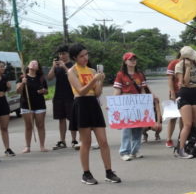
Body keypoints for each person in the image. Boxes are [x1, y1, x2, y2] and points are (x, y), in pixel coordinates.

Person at [66, 43, 121, 184]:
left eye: (86, 54)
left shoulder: (91, 70)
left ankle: (109, 172)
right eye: (81, 56)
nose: (85, 58)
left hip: (93, 104)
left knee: (103, 141)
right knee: (86, 142)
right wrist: (94, 80)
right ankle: (86, 173)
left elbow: (96, 93)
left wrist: (100, 81)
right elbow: (81, 91)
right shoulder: (72, 71)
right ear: (74, 57)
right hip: (81, 104)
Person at [114, 51, 155, 161]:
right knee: (127, 128)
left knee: (138, 128)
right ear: (125, 61)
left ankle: (135, 151)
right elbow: (117, 90)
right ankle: (124, 152)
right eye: (130, 59)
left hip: (138, 103)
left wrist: (148, 100)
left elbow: (142, 89)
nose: (133, 61)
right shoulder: (120, 75)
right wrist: (114, 105)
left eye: (134, 59)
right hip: (125, 103)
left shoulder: (140, 74)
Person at [174, 46, 196, 159]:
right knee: (187, 124)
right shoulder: (179, 65)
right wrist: (187, 68)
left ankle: (193, 147)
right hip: (185, 93)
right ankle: (180, 150)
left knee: (194, 125)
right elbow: (184, 82)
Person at [47, 45, 77, 150]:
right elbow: (49, 78)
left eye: (63, 53)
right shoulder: (57, 66)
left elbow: (73, 75)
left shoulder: (72, 65)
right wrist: (53, 66)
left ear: (68, 54)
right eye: (60, 54)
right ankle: (62, 140)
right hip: (58, 95)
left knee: (72, 118)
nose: (61, 56)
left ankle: (74, 140)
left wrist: (64, 66)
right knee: (61, 119)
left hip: (70, 95)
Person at [17, 59, 49, 153]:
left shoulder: (41, 78)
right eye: (32, 62)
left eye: (36, 63)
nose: (34, 63)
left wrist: (43, 91)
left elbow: (46, 91)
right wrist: (23, 82)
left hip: (39, 104)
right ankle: (27, 146)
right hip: (26, 105)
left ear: (38, 67)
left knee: (40, 125)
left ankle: (42, 146)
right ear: (28, 66)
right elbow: (18, 91)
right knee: (28, 126)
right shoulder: (23, 77)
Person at [165, 53, 181, 148]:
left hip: (186, 92)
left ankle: (181, 137)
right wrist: (172, 92)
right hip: (175, 92)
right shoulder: (174, 63)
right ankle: (168, 139)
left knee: (184, 118)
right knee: (173, 116)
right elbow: (170, 79)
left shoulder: (191, 63)